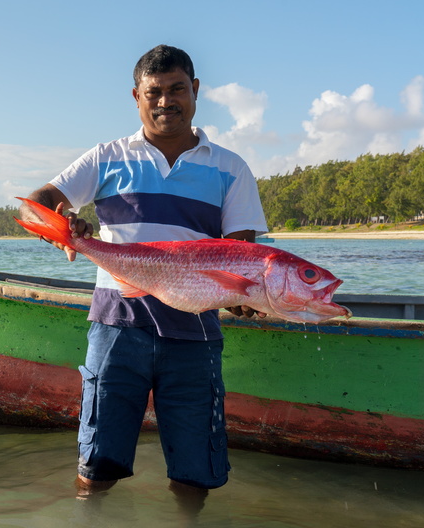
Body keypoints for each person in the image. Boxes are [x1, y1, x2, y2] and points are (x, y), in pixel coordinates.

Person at [19, 45, 268, 503]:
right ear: (136, 96)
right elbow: (36, 205)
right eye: (154, 92)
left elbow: (244, 257)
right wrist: (63, 229)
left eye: (177, 90)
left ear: (195, 91)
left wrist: (250, 298)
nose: (165, 101)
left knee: (196, 473)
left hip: (194, 336)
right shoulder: (105, 158)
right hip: (117, 328)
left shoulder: (230, 168)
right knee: (97, 465)